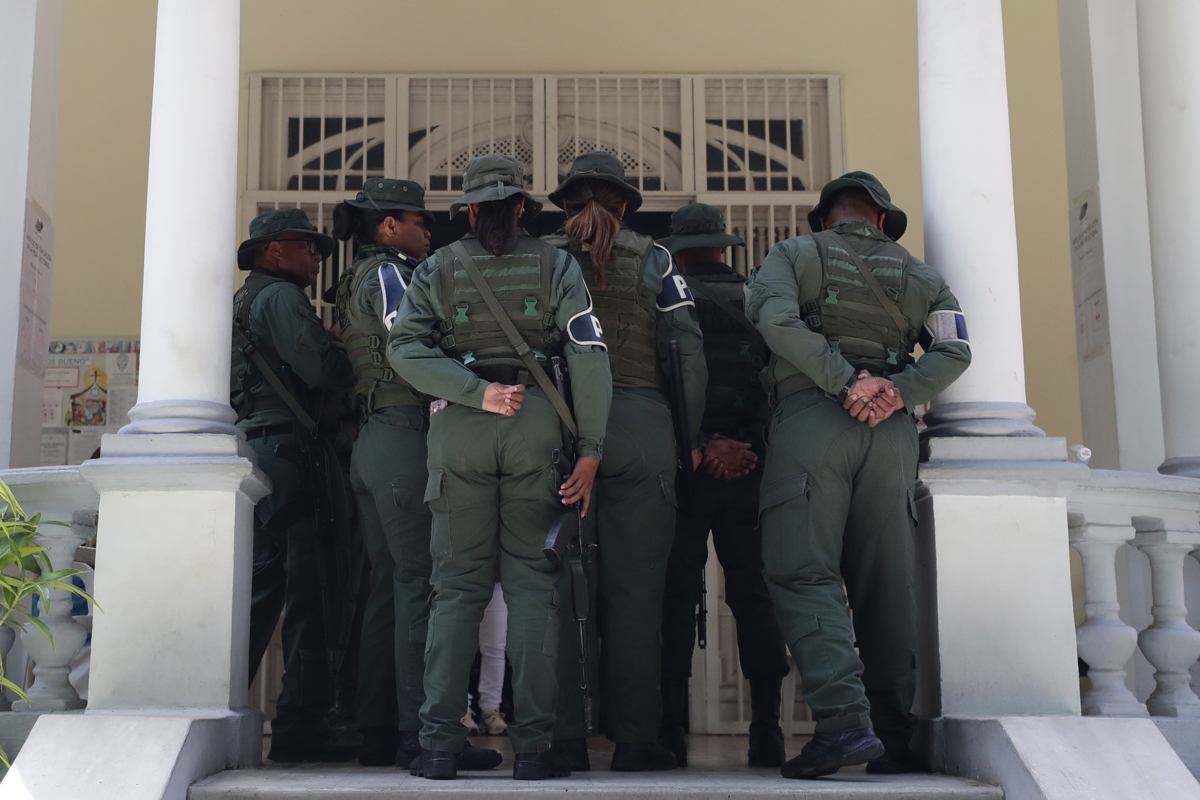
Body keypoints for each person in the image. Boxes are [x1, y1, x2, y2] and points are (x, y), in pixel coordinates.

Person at [387, 154, 613, 781]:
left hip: (459, 427)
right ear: (520, 207)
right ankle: (534, 748)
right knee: (534, 591)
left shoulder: (436, 267)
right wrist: (591, 449)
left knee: (455, 590)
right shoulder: (557, 263)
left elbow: (403, 345)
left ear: (466, 209)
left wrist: (470, 391)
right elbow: (589, 354)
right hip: (534, 425)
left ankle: (437, 746)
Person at [744, 171, 971, 779]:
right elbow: (956, 350)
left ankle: (844, 727)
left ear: (825, 218)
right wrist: (895, 391)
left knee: (802, 572)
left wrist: (845, 381)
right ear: (881, 220)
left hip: (813, 422)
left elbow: (775, 321)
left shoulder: (794, 253)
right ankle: (891, 741)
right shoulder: (921, 274)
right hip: (890, 434)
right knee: (886, 587)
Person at [330, 179, 502, 773]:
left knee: (388, 589)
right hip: (403, 433)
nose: (429, 232)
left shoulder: (360, 276)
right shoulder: (389, 274)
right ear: (387, 227)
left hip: (376, 439)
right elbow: (414, 344)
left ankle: (379, 729)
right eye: (419, 222)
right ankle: (422, 734)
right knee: (422, 585)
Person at [543, 152, 706, 772]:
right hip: (640, 426)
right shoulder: (658, 259)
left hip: (559, 427)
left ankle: (562, 740)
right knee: (637, 593)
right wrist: (687, 439)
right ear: (627, 205)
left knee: (558, 591)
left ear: (564, 204)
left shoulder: (542, 257)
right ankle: (635, 740)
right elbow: (685, 352)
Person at [655, 203, 790, 769]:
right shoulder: (762, 301)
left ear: (679, 253)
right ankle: (767, 729)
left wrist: (703, 445)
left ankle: (669, 730)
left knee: (674, 598)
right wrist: (745, 448)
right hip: (750, 471)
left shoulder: (663, 305)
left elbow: (655, 384)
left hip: (685, 470)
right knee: (756, 599)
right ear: (723, 247)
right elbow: (781, 383)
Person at [231, 208, 356, 762]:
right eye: (310, 246)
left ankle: (224, 699)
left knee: (259, 592)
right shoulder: (280, 298)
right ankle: (304, 726)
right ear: (274, 249)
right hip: (292, 452)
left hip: (261, 450)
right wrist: (342, 348)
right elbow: (322, 371)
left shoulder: (243, 299)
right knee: (312, 590)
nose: (318, 257)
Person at [462, 582, 509, 736]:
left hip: (497, 576)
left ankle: (491, 709)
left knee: (495, 645)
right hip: (463, 574)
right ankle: (461, 708)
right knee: (460, 645)